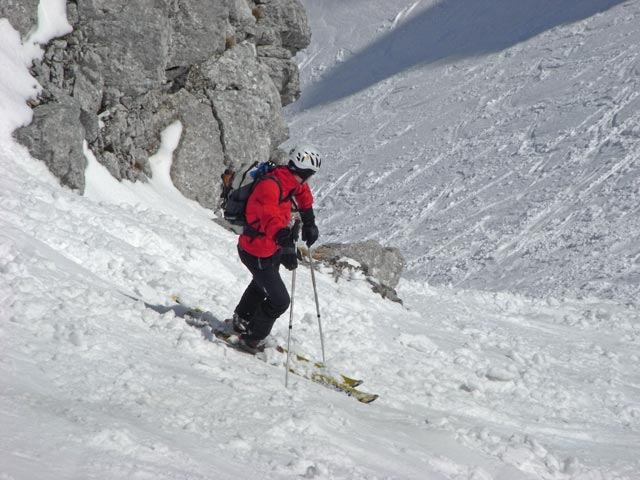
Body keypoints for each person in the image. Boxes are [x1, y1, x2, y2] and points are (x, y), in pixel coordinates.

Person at [230, 144, 322, 352]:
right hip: (256, 251)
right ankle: (253, 338)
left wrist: (310, 222)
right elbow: (270, 219)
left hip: (269, 248)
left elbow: (303, 194)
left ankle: (241, 318)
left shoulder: (289, 179)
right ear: (304, 172)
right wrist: (287, 245)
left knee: (261, 284)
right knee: (280, 301)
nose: (309, 179)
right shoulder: (270, 186)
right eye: (310, 175)